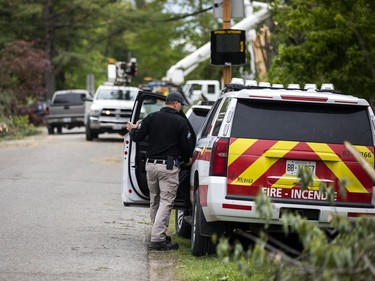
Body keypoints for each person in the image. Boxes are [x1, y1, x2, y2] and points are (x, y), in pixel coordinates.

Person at [126, 92, 194, 251]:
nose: (181, 108)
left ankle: (159, 233)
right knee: (166, 201)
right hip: (168, 168)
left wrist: (132, 129)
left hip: (150, 166)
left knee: (155, 200)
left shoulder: (151, 117)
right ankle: (158, 239)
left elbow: (137, 137)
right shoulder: (180, 122)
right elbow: (187, 147)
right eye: (181, 105)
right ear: (176, 104)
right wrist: (186, 160)